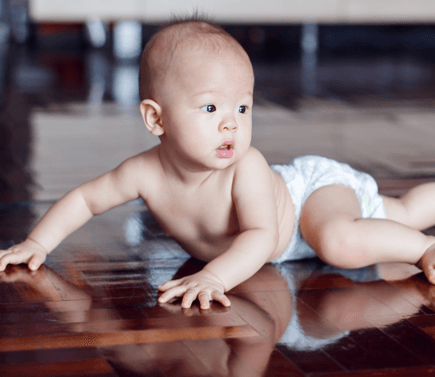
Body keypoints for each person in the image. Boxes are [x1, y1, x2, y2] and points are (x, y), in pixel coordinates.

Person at [1, 18, 435, 310]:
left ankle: (425, 250)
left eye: (243, 109)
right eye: (210, 109)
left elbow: (262, 236)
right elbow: (85, 199)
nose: (231, 124)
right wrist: (38, 244)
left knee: (340, 241)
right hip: (293, 243)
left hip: (308, 198)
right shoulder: (143, 173)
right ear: (156, 118)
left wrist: (214, 277)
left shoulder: (246, 165)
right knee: (401, 211)